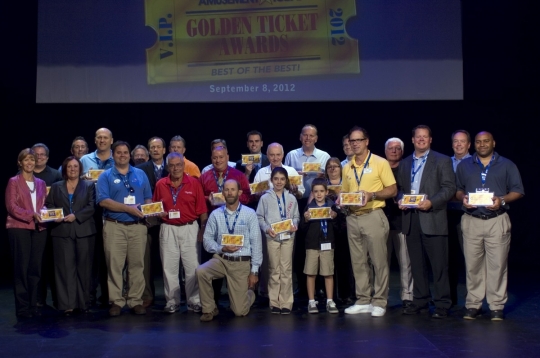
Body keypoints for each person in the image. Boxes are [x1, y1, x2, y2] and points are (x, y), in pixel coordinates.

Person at [455, 131, 524, 321]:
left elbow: (518, 191)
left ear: (493, 143)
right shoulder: (464, 165)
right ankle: (473, 304)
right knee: (472, 266)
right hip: (471, 220)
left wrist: (501, 200)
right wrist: (464, 198)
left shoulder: (507, 165)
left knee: (498, 265)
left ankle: (496, 305)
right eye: (478, 142)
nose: (482, 145)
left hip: (496, 220)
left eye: (486, 141)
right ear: (473, 145)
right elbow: (458, 190)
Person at [396, 125, 456, 319]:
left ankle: (442, 303)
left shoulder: (442, 160)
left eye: (425, 137)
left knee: (439, 266)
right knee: (417, 265)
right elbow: (399, 188)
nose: (421, 140)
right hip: (411, 220)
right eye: (418, 137)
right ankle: (420, 300)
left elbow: (449, 188)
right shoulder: (404, 163)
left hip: (433, 218)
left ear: (430, 140)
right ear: (412, 140)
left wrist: (431, 202)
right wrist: (399, 199)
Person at [341, 126, 396, 317]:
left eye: (358, 140)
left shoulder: (380, 162)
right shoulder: (347, 167)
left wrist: (372, 194)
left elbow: (392, 190)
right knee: (358, 261)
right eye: (352, 141)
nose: (354, 144)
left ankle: (380, 300)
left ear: (366, 141)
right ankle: (363, 299)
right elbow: (345, 192)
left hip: (373, 214)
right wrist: (342, 200)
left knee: (378, 260)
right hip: (353, 217)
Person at [96, 141, 153, 316]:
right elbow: (103, 201)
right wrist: (128, 208)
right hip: (115, 226)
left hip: (137, 227)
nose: (122, 155)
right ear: (113, 155)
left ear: (130, 155)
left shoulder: (140, 173)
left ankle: (135, 300)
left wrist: (151, 211)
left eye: (125, 152)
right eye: (118, 152)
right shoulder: (105, 176)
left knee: (137, 265)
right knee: (115, 265)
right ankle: (116, 301)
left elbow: (148, 199)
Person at [196, 179, 262, 322]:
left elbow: (256, 243)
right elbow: (207, 241)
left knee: (239, 312)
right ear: (223, 193)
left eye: (233, 189)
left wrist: (254, 271)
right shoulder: (215, 214)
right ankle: (209, 308)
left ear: (239, 192)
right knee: (201, 271)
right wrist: (221, 248)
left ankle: (250, 294)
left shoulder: (250, 214)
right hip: (221, 259)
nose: (229, 192)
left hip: (240, 263)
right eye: (226, 189)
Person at [153, 153, 207, 313]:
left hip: (190, 227)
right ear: (167, 166)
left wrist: (202, 229)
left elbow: (203, 210)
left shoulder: (194, 183)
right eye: (172, 165)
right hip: (168, 228)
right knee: (169, 267)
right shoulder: (160, 184)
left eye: (178, 165)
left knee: (192, 266)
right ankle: (172, 301)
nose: (175, 168)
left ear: (184, 165)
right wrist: (158, 213)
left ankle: (194, 300)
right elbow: (155, 208)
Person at [45, 156, 96, 316]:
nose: (72, 169)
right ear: (65, 169)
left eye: (75, 166)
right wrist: (55, 216)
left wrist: (77, 216)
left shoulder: (88, 186)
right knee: (65, 269)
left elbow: (91, 206)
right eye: (69, 167)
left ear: (80, 169)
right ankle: (67, 304)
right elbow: (49, 205)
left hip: (84, 230)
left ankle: (83, 303)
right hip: (62, 232)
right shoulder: (56, 186)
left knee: (84, 268)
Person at [6, 148, 48, 318]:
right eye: (26, 160)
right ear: (20, 163)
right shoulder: (14, 181)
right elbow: (11, 207)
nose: (30, 162)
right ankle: (22, 308)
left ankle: (33, 305)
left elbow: (43, 204)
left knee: (35, 269)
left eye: (32, 159)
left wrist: (45, 213)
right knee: (21, 269)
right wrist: (32, 215)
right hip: (19, 228)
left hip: (39, 229)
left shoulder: (41, 183)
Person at [256, 167, 300, 314]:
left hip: (288, 238)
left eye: (282, 179)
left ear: (286, 180)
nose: (279, 182)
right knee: (274, 270)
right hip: (273, 237)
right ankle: (274, 301)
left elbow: (296, 217)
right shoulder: (265, 198)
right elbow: (259, 217)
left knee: (286, 270)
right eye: (276, 179)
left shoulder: (292, 198)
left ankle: (286, 302)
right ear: (271, 180)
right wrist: (267, 228)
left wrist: (294, 225)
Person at [80, 128, 115, 307]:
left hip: (111, 211)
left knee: (109, 255)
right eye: (99, 138)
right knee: (91, 255)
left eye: (105, 138)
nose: (102, 140)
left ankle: (110, 295)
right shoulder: (84, 160)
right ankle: (90, 295)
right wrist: (83, 179)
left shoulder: (116, 159)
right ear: (95, 140)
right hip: (89, 212)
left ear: (111, 140)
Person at [137, 136, 169, 307]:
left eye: (158, 147)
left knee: (170, 260)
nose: (156, 150)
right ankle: (147, 295)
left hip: (169, 220)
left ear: (164, 150)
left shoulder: (173, 166)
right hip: (148, 221)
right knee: (146, 260)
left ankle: (171, 295)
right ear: (149, 151)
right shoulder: (140, 169)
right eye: (152, 147)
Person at [300, 178, 340, 314]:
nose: (319, 194)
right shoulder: (309, 207)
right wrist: (305, 220)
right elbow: (302, 228)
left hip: (327, 244)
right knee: (311, 273)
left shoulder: (331, 206)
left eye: (321, 191)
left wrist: (334, 218)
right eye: (316, 191)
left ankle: (330, 300)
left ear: (326, 192)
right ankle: (311, 301)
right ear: (312, 192)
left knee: (328, 273)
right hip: (312, 245)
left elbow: (338, 228)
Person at [383, 138, 413, 308]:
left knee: (405, 261)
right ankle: (381, 297)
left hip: (402, 221)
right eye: (390, 148)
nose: (394, 151)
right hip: (382, 221)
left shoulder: (407, 168)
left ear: (402, 151)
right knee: (381, 263)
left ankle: (408, 295)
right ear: (385, 150)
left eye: (397, 149)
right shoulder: (380, 167)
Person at [31, 143, 62, 308]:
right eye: (35, 154)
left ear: (47, 158)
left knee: (56, 264)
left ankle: (59, 299)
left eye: (42, 154)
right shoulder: (24, 175)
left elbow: (60, 199)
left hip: (54, 226)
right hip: (34, 226)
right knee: (38, 264)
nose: (39, 157)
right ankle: (38, 299)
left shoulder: (56, 175)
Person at [448, 129, 472, 305]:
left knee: (471, 258)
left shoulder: (475, 163)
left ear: (469, 144)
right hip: (447, 214)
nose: (458, 144)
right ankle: (450, 297)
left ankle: (473, 299)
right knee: (448, 258)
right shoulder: (445, 162)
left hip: (468, 214)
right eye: (455, 141)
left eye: (462, 141)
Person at [284, 124, 331, 202]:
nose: (308, 138)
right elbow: (283, 177)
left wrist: (325, 176)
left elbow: (332, 178)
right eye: (305, 135)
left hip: (318, 201)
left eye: (311, 135)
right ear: (300, 137)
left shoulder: (325, 156)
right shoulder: (291, 155)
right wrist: (294, 175)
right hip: (294, 198)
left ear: (316, 139)